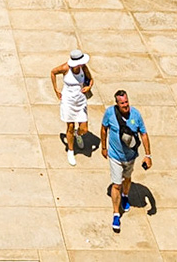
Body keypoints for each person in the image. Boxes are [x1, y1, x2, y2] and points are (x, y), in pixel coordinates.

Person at [99, 89, 151, 233]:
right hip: (115, 156)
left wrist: (148, 155)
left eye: (127, 102)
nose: (125, 105)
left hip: (130, 156)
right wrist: (104, 147)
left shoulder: (136, 114)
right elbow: (104, 129)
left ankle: (125, 196)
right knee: (117, 184)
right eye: (122, 103)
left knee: (127, 179)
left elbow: (144, 134)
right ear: (117, 104)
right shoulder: (110, 113)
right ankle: (116, 214)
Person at [50, 50, 93, 164]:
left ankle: (77, 134)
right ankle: (70, 150)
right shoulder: (65, 68)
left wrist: (88, 88)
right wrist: (56, 89)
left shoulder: (83, 68)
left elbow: (91, 79)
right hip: (68, 101)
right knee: (70, 126)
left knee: (84, 128)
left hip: (80, 101)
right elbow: (53, 72)